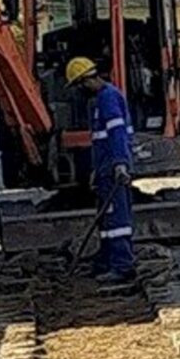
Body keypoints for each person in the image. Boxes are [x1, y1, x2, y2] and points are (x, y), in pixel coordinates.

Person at [65, 57, 136, 291]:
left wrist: (120, 164)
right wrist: (98, 170)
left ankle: (123, 266)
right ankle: (106, 261)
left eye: (78, 86)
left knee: (117, 220)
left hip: (114, 168)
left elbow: (117, 134)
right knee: (106, 220)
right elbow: (100, 141)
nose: (78, 92)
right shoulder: (100, 100)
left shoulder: (107, 98)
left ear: (86, 81)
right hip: (105, 170)